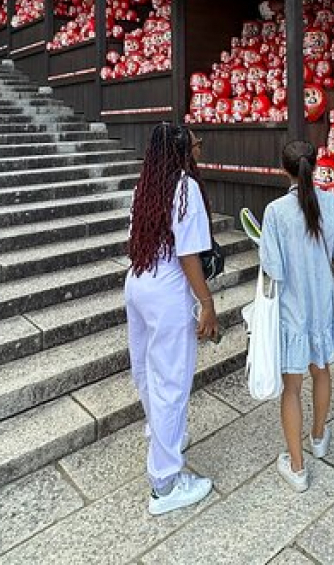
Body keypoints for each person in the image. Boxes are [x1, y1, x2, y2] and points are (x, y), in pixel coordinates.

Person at [125, 122, 219, 515]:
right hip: (166, 290)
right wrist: (206, 302)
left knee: (148, 372)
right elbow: (188, 254)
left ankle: (163, 433)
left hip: (138, 282)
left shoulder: (146, 185)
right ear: (182, 151)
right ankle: (164, 484)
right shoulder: (185, 188)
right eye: (196, 144)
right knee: (172, 382)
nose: (199, 149)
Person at [259, 139, 334, 492]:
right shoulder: (331, 203)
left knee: (292, 387)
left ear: (284, 169)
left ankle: (297, 467)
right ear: (315, 166)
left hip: (292, 309)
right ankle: (318, 437)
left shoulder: (275, 212)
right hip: (322, 304)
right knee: (323, 370)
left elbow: (274, 270)